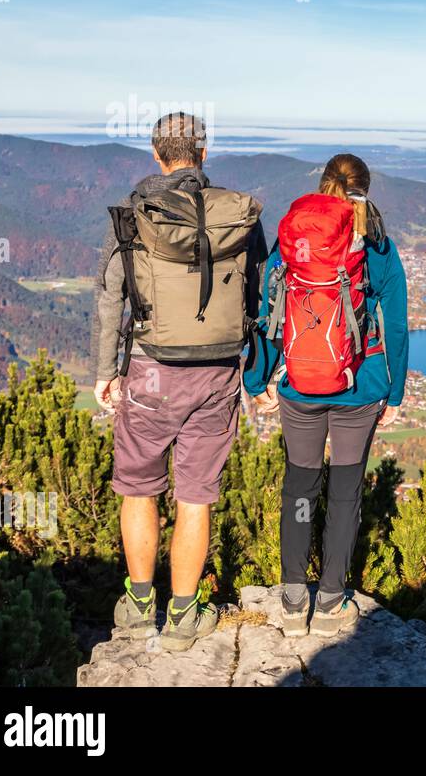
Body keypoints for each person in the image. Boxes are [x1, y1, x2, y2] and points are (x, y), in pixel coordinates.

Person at [93, 111, 268, 651]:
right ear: (203, 154)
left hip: (149, 370)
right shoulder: (237, 215)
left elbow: (109, 297)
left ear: (157, 155)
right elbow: (258, 291)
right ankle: (186, 615)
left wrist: (104, 373)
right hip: (217, 371)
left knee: (139, 486)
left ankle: (141, 606)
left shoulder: (132, 215)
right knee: (196, 495)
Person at [245, 153, 409, 638]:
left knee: (299, 487)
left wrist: (259, 381)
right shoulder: (378, 246)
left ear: (321, 187)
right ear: (366, 190)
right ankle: (332, 600)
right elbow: (395, 325)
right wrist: (395, 389)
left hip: (299, 383)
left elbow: (269, 309)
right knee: (344, 492)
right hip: (362, 386)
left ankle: (294, 601)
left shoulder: (293, 238)